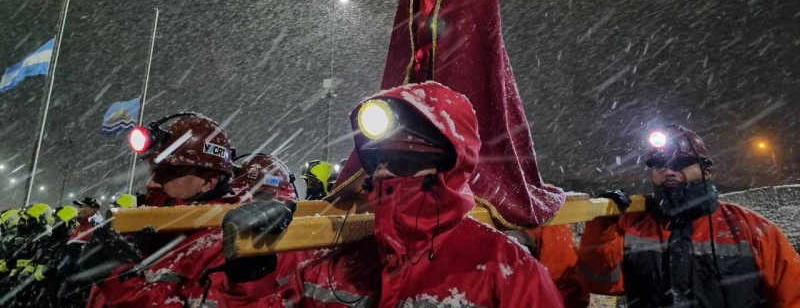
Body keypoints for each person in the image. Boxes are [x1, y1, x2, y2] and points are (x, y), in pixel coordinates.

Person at [333, 0, 564, 229]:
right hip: (422, 34)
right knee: (413, 95)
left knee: (453, 92)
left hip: (451, 32)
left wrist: (449, 8)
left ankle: (455, 165)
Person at [224, 82, 564, 307]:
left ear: (447, 167)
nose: (383, 171)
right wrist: (250, 276)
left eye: (402, 160)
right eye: (375, 160)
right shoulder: (335, 264)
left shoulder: (505, 269)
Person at [578, 124, 800, 307]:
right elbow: (601, 283)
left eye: (680, 163)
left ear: (706, 171)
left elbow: (792, 298)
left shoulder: (753, 230)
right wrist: (602, 225)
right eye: (660, 165)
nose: (669, 171)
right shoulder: (631, 225)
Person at [79, 112, 244, 307]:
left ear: (209, 182)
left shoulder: (229, 244)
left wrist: (122, 280)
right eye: (153, 171)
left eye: (167, 172)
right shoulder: (153, 230)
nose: (151, 183)